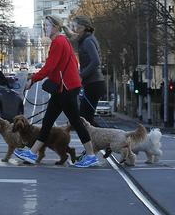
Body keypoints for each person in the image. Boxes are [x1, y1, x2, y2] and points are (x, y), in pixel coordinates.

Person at [14, 15, 99, 168]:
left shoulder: (59, 42)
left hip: (67, 88)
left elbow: (49, 67)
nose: (44, 28)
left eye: (46, 25)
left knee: (76, 122)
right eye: (44, 25)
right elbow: (59, 66)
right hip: (63, 88)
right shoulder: (61, 41)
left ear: (54, 27)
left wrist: (32, 80)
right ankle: (32, 153)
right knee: (47, 122)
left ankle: (91, 156)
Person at [71, 15, 106, 127]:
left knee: (84, 119)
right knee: (86, 119)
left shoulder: (87, 41)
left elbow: (96, 61)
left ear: (82, 28)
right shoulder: (87, 39)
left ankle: (109, 140)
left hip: (94, 84)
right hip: (93, 83)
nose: (73, 30)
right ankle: (103, 141)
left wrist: (81, 75)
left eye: (75, 27)